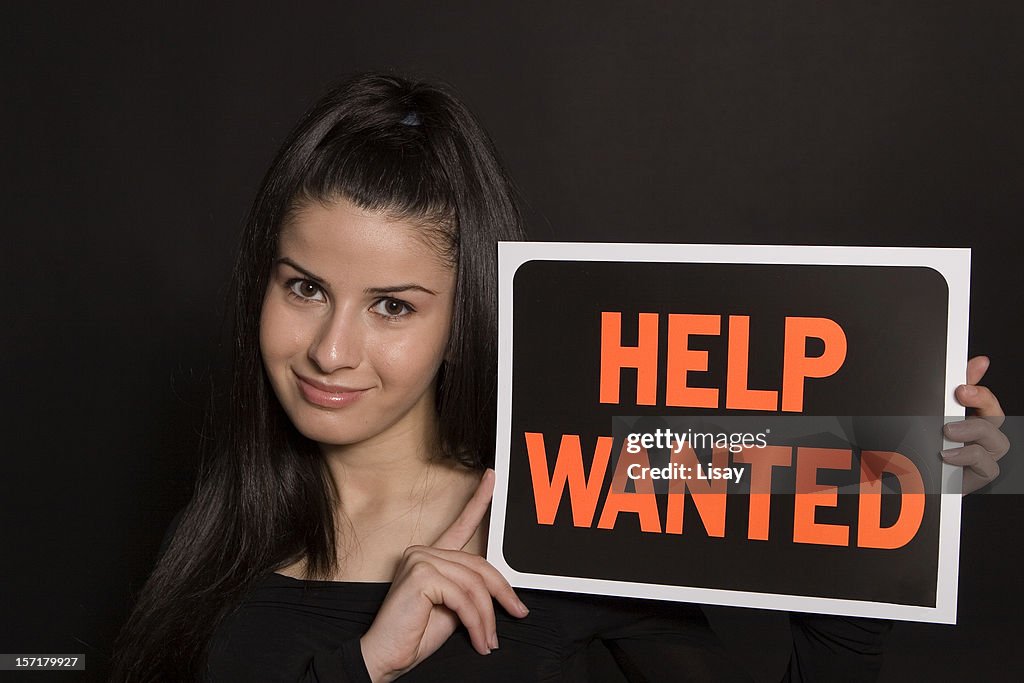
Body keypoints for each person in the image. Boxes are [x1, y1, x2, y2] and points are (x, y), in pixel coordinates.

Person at [110, 72, 1010, 683]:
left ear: (463, 322)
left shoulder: (565, 529)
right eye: (305, 287)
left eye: (393, 305)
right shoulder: (218, 532)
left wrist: (886, 519)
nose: (331, 349)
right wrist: (366, 666)